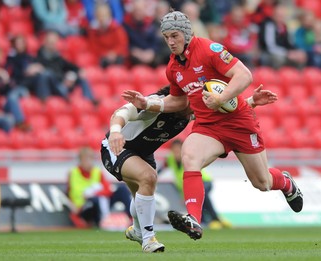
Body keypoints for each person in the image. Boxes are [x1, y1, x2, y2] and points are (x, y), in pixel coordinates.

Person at [122, 10, 303, 241]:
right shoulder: (173, 68)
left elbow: (243, 75)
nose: (170, 41)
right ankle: (194, 220)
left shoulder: (209, 49)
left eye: (175, 35)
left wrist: (221, 97)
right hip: (208, 126)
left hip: (238, 121)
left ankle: (286, 183)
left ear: (186, 34)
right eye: (166, 36)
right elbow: (178, 101)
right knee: (190, 156)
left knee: (263, 182)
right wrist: (148, 103)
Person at [104, 84, 277, 251]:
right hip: (117, 148)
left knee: (141, 192)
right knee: (148, 178)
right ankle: (148, 239)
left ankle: (137, 230)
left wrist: (251, 101)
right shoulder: (156, 103)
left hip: (144, 154)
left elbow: (223, 113)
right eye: (193, 98)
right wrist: (115, 132)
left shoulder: (186, 113)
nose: (198, 103)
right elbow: (122, 112)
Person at [159, 139, 231, 229]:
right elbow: (160, 170)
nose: (176, 152)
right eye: (174, 150)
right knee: (201, 201)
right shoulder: (169, 159)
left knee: (203, 198)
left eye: (178, 150)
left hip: (204, 180)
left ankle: (214, 219)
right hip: (191, 186)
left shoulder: (186, 156)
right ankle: (209, 221)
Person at [67, 146, 132, 228]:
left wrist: (96, 193)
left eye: (90, 159)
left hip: (101, 201)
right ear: (80, 160)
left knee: (122, 189)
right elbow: (68, 193)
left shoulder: (97, 172)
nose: (89, 162)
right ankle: (100, 222)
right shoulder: (73, 173)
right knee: (94, 200)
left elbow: (107, 190)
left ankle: (132, 218)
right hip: (84, 206)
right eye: (86, 159)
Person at [36, 31, 98, 104]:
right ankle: (48, 100)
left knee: (80, 75)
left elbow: (72, 67)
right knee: (46, 74)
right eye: (50, 42)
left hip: (62, 84)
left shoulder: (58, 57)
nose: (52, 45)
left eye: (54, 42)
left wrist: (72, 76)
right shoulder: (38, 57)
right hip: (52, 86)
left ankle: (90, 99)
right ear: (45, 42)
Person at [259, 4, 306, 69]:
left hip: (283, 53)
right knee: (279, 59)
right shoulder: (269, 25)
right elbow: (270, 47)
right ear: (273, 15)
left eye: (282, 15)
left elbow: (289, 44)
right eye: (278, 15)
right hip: (268, 54)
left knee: (301, 57)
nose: (280, 17)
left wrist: (296, 52)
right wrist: (287, 53)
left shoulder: (284, 27)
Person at [85, 3, 129, 69]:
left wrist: (114, 53)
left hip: (117, 57)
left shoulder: (117, 28)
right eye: (100, 15)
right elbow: (94, 47)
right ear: (96, 16)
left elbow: (123, 44)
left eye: (104, 15)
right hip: (102, 58)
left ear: (109, 15)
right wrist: (106, 54)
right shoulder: (93, 30)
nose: (102, 18)